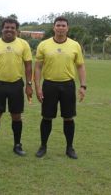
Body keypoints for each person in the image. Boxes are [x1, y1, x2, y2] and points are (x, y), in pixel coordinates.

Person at [34, 16, 87, 159]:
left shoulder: (75, 45)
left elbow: (80, 66)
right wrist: (37, 87)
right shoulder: (44, 45)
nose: (61, 28)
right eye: (58, 25)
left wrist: (83, 86)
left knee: (68, 118)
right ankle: (43, 146)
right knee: (47, 117)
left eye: (63, 25)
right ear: (54, 27)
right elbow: (38, 67)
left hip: (68, 85)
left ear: (67, 28)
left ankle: (70, 148)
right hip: (49, 84)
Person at [0, 18, 33, 156]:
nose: (9, 30)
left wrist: (29, 85)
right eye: (7, 27)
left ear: (17, 30)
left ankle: (17, 145)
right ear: (2, 29)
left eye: (12, 28)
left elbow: (28, 66)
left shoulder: (23, 44)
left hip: (16, 84)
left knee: (16, 116)